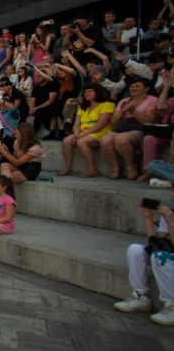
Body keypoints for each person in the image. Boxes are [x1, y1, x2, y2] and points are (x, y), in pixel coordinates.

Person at [114, 193, 174, 325]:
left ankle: (172, 305)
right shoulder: (170, 214)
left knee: (160, 257)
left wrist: (171, 222)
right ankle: (140, 296)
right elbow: (155, 243)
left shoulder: (170, 217)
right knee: (135, 250)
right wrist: (148, 217)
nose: (172, 195)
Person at [100, 79, 156, 180]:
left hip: (140, 129)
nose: (133, 89)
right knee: (105, 140)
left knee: (121, 139)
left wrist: (133, 111)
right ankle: (116, 167)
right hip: (121, 128)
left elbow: (148, 121)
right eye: (132, 86)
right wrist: (123, 111)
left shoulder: (152, 100)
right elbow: (113, 121)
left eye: (137, 86)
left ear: (146, 89)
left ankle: (131, 166)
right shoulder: (124, 101)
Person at [58, 84, 115, 177]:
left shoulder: (107, 104)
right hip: (83, 132)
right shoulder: (82, 106)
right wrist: (76, 134)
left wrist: (80, 136)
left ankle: (92, 169)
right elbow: (76, 124)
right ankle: (68, 167)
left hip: (101, 132)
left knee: (81, 142)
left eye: (89, 91)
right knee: (66, 141)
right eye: (85, 92)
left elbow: (100, 124)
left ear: (97, 92)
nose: (86, 94)